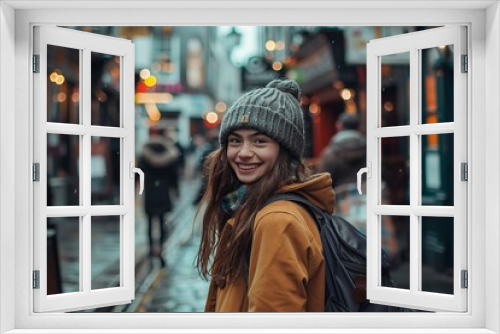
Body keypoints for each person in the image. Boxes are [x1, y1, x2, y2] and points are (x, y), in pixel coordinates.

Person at [196, 79, 335, 312]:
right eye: (235, 141)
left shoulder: (277, 221)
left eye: (260, 141)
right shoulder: (250, 206)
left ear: (285, 150)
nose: (244, 153)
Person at [139, 128, 180, 267]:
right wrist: (176, 190)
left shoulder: (144, 154)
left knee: (150, 223)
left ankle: (151, 251)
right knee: (162, 222)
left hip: (150, 191)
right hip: (163, 191)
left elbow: (139, 173)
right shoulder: (168, 153)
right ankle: (161, 250)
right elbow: (174, 176)